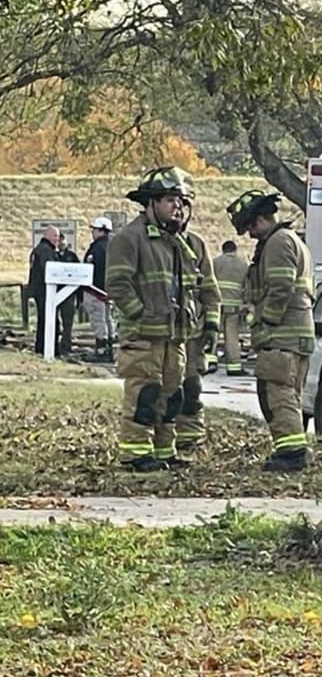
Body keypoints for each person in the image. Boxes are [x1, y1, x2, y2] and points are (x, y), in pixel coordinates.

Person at [106, 166, 205, 471]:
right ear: (151, 203)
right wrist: (141, 314)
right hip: (143, 337)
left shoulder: (177, 243)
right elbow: (117, 285)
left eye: (181, 201)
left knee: (171, 397)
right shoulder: (130, 238)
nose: (178, 207)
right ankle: (135, 453)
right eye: (170, 200)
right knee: (144, 395)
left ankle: (164, 451)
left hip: (173, 338)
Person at [226, 189, 316, 472]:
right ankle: (292, 450)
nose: (251, 235)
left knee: (277, 394)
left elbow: (280, 286)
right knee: (288, 394)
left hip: (282, 336)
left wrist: (266, 322)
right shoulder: (291, 240)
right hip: (296, 334)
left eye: (250, 228)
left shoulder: (278, 242)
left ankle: (291, 453)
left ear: (260, 219)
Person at [173, 197, 222, 451]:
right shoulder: (149, 242)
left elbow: (210, 290)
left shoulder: (196, 244)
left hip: (192, 332)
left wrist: (212, 325)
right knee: (163, 390)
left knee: (191, 387)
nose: (178, 212)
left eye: (183, 207)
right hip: (162, 333)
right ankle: (161, 440)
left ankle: (190, 437)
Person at [212, 240, 249, 376]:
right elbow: (247, 287)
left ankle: (210, 362)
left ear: (223, 250)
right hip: (234, 307)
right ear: (235, 250)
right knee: (232, 336)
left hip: (217, 304)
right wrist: (245, 304)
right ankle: (234, 367)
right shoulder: (243, 265)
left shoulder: (215, 262)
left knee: (213, 334)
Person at [83, 217, 115, 362]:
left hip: (95, 291)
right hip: (109, 292)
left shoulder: (96, 249)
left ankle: (101, 351)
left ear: (101, 230)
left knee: (98, 320)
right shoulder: (113, 247)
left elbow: (91, 269)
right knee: (108, 320)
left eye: (95, 230)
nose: (93, 232)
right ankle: (110, 349)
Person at [27, 225, 58, 355]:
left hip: (38, 289)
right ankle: (48, 347)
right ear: (47, 235)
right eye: (55, 236)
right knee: (49, 320)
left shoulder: (37, 250)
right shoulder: (45, 251)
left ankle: (41, 346)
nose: (57, 239)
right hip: (45, 290)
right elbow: (50, 271)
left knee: (43, 319)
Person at [54, 232, 80, 357]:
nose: (61, 243)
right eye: (59, 240)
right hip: (55, 292)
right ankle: (54, 344)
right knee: (54, 320)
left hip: (69, 293)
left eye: (62, 240)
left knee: (68, 322)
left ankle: (66, 345)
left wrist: (79, 296)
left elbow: (79, 274)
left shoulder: (72, 256)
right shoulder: (52, 255)